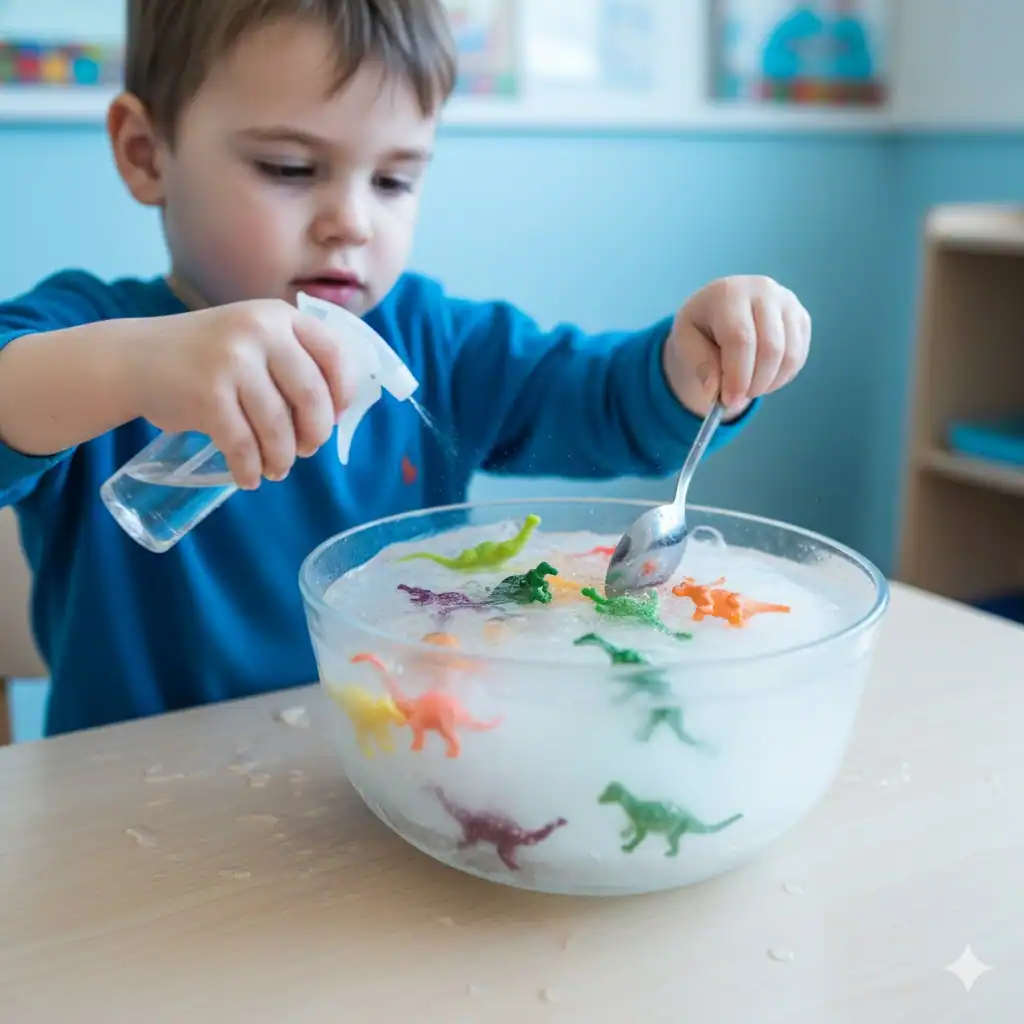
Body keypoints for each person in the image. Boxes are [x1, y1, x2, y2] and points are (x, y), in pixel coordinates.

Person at [0, 0, 811, 737]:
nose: (351, 222)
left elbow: (604, 405)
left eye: (393, 180)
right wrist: (134, 364)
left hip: (394, 765)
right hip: (137, 806)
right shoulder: (92, 334)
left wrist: (694, 359)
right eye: (289, 168)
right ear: (146, 154)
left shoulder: (433, 344)